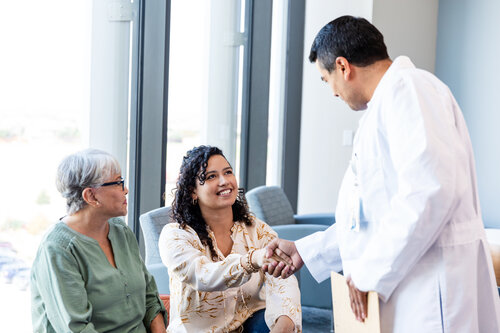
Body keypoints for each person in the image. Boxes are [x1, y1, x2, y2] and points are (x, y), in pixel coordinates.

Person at [264, 15, 500, 332]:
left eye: (326, 79)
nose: (332, 92)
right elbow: (368, 219)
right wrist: (307, 250)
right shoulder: (387, 104)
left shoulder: (409, 89)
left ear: (343, 67)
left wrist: (370, 272)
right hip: (414, 286)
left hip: (433, 290)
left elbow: (431, 191)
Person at [159, 145, 301, 333]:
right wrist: (253, 259)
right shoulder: (175, 235)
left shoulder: (255, 228)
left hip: (250, 322)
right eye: (211, 176)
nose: (224, 181)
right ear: (193, 191)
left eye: (228, 172)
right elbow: (205, 276)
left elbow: (283, 279)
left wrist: (284, 323)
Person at [31, 149, 167, 332]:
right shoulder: (58, 248)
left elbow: (149, 297)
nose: (125, 190)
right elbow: (78, 329)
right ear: (91, 196)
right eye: (118, 182)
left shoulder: (121, 230)